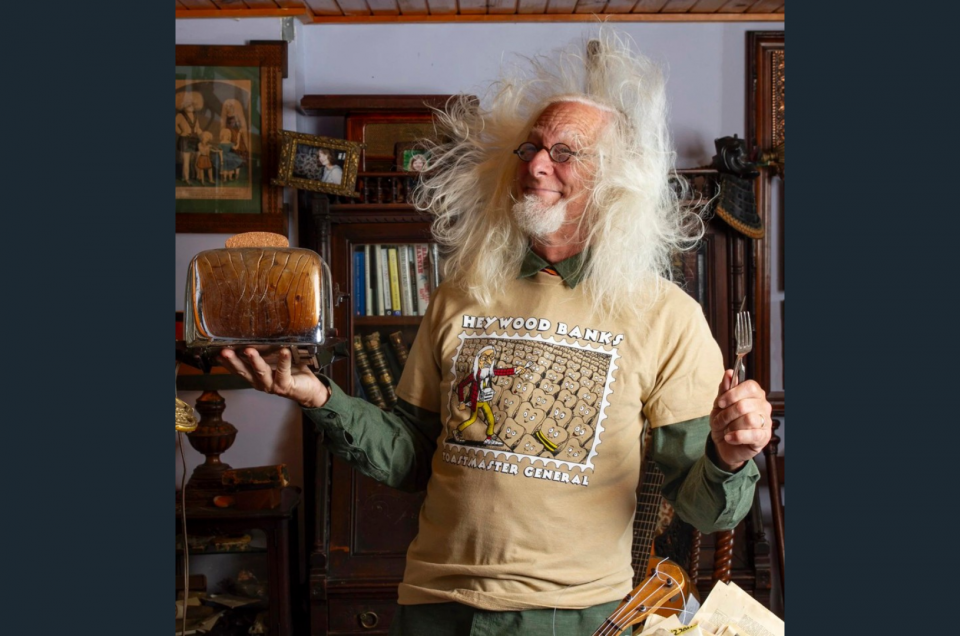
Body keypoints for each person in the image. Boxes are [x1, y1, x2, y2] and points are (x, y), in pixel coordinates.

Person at [219, 31, 772, 635]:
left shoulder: (668, 315)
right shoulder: (462, 290)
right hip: (432, 605)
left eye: (565, 152)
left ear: (617, 181)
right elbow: (410, 457)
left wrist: (729, 454)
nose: (536, 164)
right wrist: (319, 396)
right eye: (530, 148)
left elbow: (701, 506)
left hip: (571, 617)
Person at [175, 92, 203, 184]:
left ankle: (197, 175)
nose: (190, 105)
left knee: (197, 158)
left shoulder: (195, 115)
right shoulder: (180, 115)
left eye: (192, 103)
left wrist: (202, 134)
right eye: (188, 104)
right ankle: (186, 178)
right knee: (186, 161)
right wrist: (180, 132)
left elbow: (198, 128)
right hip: (185, 140)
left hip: (195, 139)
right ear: (182, 105)